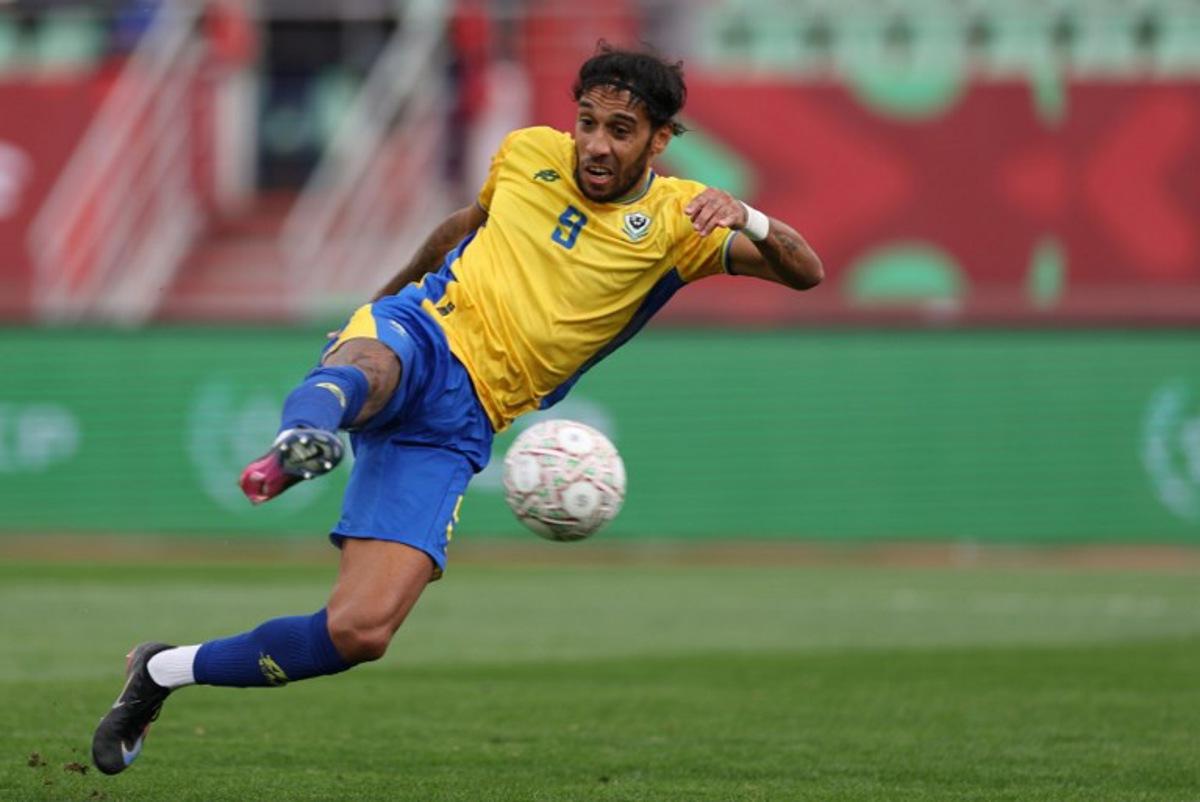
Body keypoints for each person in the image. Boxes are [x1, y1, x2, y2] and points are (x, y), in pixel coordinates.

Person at [90, 44, 822, 775]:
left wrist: (750, 218)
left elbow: (805, 271)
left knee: (360, 631)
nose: (596, 145)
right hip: (427, 332)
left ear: (659, 140)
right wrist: (376, 305)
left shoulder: (678, 223)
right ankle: (303, 438)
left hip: (462, 423)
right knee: (369, 365)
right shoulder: (527, 153)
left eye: (620, 130)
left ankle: (160, 671)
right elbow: (465, 227)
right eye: (587, 122)